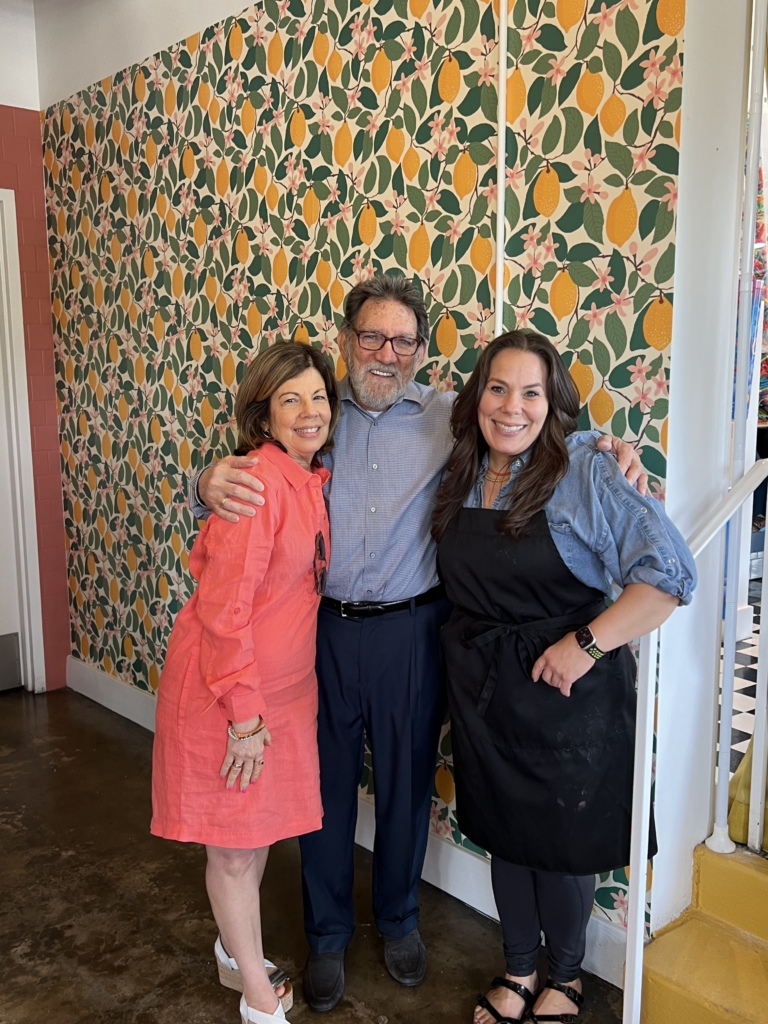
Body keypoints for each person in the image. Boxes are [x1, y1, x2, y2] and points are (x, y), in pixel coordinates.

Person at [189, 275, 647, 1013]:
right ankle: (328, 934)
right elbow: (246, 473)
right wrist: (203, 480)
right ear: (345, 340)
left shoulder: (448, 418)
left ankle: (401, 921)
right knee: (324, 793)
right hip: (321, 633)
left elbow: (530, 427)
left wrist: (607, 447)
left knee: (405, 788)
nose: (386, 353)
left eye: (403, 340)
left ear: (419, 350)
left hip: (411, 629)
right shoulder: (311, 413)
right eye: (371, 336)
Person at [431, 332, 695, 1024]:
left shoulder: (584, 471)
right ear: (476, 396)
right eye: (497, 388)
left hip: (567, 697)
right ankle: (519, 968)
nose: (511, 408)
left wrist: (588, 642)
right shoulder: (460, 469)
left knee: (561, 847)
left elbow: (668, 578)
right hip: (485, 691)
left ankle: (568, 977)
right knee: (505, 835)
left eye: (531, 393)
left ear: (554, 406)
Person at [151, 342, 338, 1024]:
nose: (309, 411)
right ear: (263, 416)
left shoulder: (307, 479)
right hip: (230, 695)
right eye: (290, 399)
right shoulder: (256, 485)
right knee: (233, 850)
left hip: (280, 693)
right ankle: (258, 1003)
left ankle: (237, 955)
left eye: (318, 396)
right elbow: (224, 613)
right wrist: (245, 719)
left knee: (255, 836)